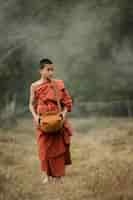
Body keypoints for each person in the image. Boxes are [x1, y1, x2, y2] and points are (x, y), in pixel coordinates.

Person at [29, 58, 73, 184]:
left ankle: (59, 177)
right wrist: (35, 117)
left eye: (52, 70)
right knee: (44, 149)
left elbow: (66, 102)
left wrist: (63, 115)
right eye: (48, 70)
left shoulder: (58, 83)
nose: (51, 73)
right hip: (43, 122)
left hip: (57, 120)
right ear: (41, 70)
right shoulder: (34, 86)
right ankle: (47, 176)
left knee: (58, 150)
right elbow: (31, 104)